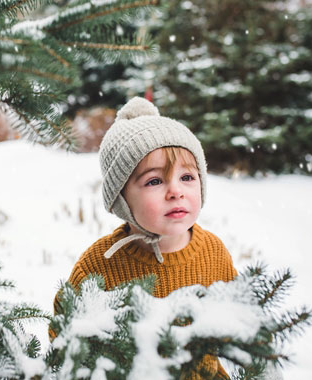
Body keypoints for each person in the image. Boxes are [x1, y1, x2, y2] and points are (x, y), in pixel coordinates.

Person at [52, 97, 237, 379]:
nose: (176, 191)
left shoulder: (213, 252)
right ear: (122, 199)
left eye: (187, 177)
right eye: (154, 181)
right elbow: (63, 332)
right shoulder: (101, 265)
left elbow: (240, 319)